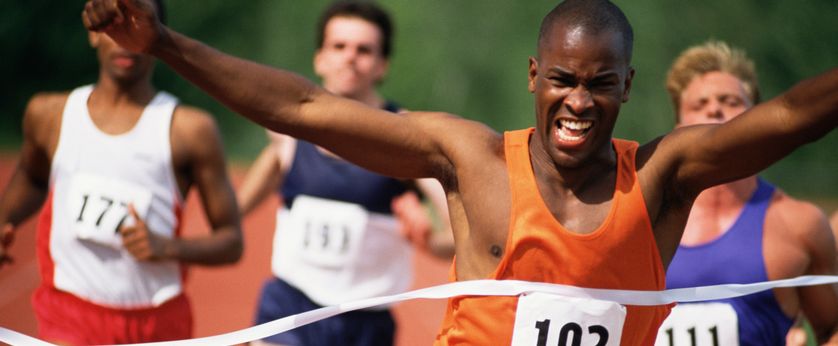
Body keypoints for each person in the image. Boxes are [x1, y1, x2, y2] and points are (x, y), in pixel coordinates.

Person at [82, 0, 838, 344]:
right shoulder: (470, 158)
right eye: (564, 80)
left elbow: (791, 116)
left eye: (600, 83)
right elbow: (306, 108)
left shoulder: (662, 178)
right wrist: (168, 45)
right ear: (535, 75)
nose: (579, 102)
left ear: (628, 87)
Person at [0, 0, 243, 344]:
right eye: (115, 27)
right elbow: (33, 177)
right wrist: (4, 220)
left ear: (157, 38)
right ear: (93, 34)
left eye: (137, 28)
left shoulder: (189, 131)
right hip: (68, 314)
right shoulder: (49, 115)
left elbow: (232, 242)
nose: (125, 42)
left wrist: (168, 246)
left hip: (155, 324)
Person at [235, 2, 453, 345]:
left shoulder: (407, 138)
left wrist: (428, 240)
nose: (350, 57)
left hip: (364, 324)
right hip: (290, 308)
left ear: (382, 66)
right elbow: (274, 164)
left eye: (363, 50)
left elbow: (458, 238)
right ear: (319, 58)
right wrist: (229, 217)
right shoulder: (288, 128)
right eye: (339, 46)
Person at [657, 40, 838, 346]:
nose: (714, 109)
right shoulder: (644, 218)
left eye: (730, 101)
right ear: (678, 127)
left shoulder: (798, 224)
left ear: (758, 117)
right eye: (699, 105)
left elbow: (832, 328)